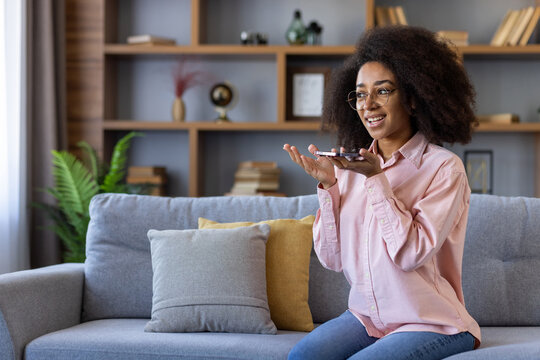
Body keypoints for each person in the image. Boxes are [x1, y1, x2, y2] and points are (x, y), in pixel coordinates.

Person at [283, 25, 481, 360]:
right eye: (360, 94)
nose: (368, 104)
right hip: (367, 318)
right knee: (300, 357)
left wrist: (376, 179)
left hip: (430, 322)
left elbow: (410, 254)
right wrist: (330, 188)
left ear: (414, 97)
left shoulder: (444, 169)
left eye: (383, 91)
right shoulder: (349, 168)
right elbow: (331, 260)